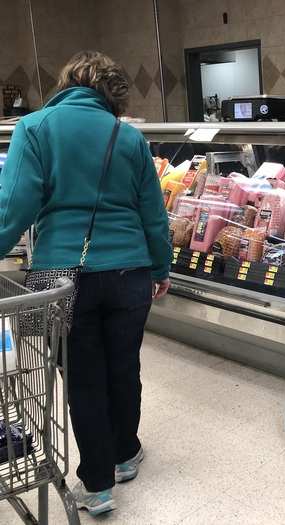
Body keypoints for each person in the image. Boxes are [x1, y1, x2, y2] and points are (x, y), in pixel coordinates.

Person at [0, 51, 171, 516]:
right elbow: (154, 216)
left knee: (83, 377)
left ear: (69, 80)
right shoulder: (129, 137)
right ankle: (126, 452)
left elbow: (12, 208)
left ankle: (97, 484)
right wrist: (160, 269)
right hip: (131, 272)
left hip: (61, 275)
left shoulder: (33, 128)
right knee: (124, 365)